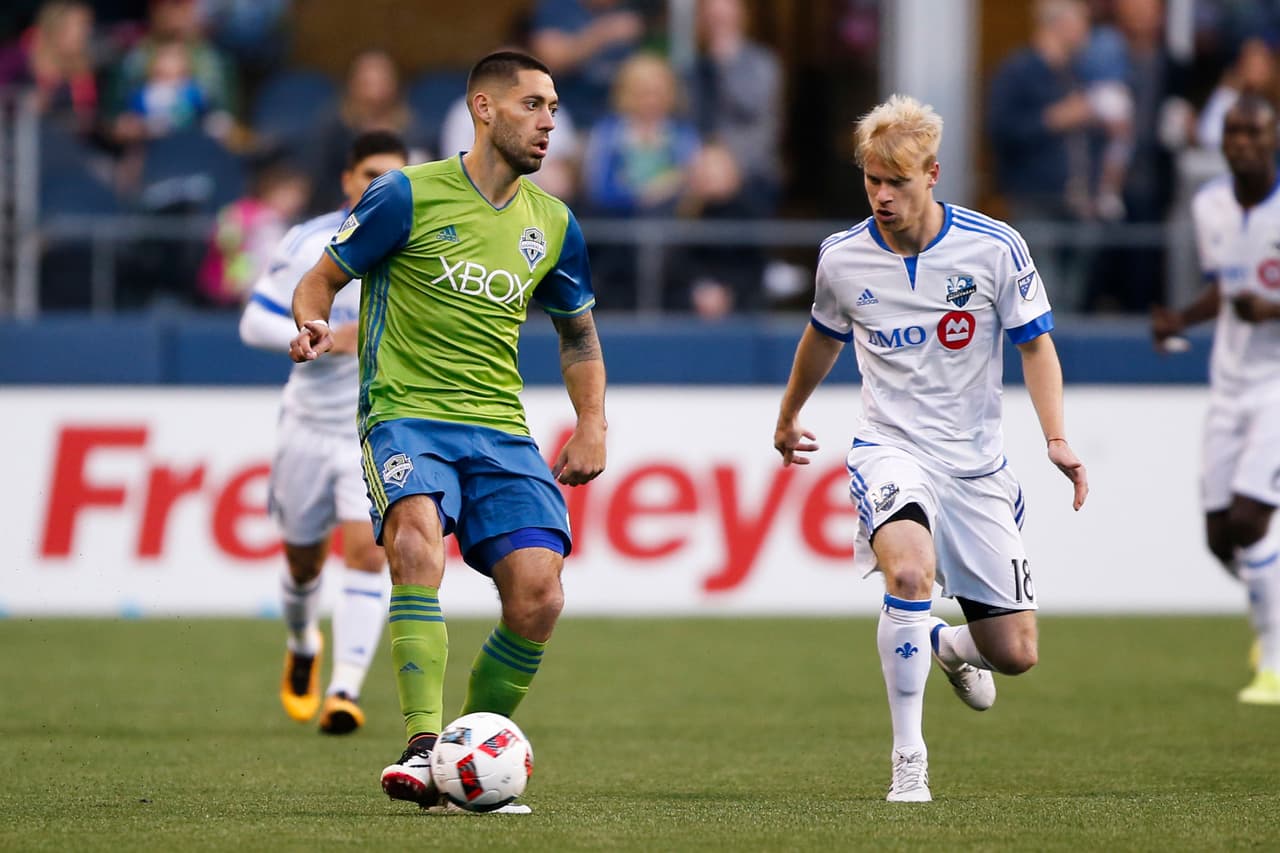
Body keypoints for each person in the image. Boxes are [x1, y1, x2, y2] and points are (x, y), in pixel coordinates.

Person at [288, 50, 607, 812]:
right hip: (404, 414)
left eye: (555, 107)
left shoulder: (554, 223)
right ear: (484, 108)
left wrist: (593, 420)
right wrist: (308, 318)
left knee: (539, 596)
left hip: (499, 426)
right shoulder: (403, 195)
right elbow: (325, 276)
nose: (549, 122)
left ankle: (466, 748)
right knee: (414, 538)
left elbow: (579, 336)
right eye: (533, 104)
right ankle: (424, 740)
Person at [774, 94, 1088, 802]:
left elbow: (1036, 345)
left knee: (1016, 653)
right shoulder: (842, 257)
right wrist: (789, 413)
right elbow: (823, 337)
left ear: (933, 174)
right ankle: (909, 758)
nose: (882, 195)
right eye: (871, 180)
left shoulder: (994, 247)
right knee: (910, 573)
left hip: (975, 464)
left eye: (898, 181)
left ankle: (945, 645)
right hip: (888, 446)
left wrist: (1057, 438)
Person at [239, 130, 409, 733]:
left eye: (392, 177)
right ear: (347, 180)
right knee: (304, 564)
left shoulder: (419, 246)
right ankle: (303, 640)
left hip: (375, 428)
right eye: (369, 176)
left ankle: (345, 690)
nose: (378, 188)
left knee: (367, 555)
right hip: (308, 427)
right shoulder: (310, 241)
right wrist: (318, 334)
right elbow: (254, 321)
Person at [1152, 93, 1280, 705]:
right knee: (1219, 536)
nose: (1241, 142)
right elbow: (1225, 290)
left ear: (1274, 137)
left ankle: (1274, 666)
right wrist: (1179, 318)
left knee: (1253, 520)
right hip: (1229, 386)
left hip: (1278, 386)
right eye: (1232, 131)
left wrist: (1274, 308)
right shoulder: (1210, 205)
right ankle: (1271, 609)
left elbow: (1258, 299)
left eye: (1253, 132)